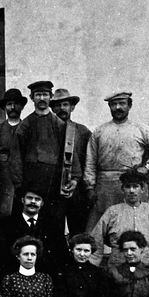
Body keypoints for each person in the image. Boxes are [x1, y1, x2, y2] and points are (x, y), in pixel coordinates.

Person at [84, 91, 149, 227]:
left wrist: (148, 167)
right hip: (105, 186)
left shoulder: (141, 129)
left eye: (122, 103)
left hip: (132, 182)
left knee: (134, 224)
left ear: (129, 106)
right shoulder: (99, 131)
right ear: (109, 107)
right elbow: (90, 161)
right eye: (114, 104)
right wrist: (90, 187)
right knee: (102, 226)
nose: (118, 107)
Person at [90, 172, 149, 281]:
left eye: (135, 186)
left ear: (142, 189)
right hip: (118, 271)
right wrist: (92, 269)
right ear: (122, 189)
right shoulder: (112, 212)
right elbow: (95, 240)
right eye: (128, 187)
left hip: (148, 271)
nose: (131, 191)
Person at [9, 81, 66, 213]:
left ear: (51, 97)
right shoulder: (25, 125)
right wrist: (18, 184)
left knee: (52, 216)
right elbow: (16, 156)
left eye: (45, 94)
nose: (41, 98)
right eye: (38, 95)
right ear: (31, 98)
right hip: (31, 178)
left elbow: (67, 153)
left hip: (53, 179)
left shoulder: (59, 124)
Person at [49, 88, 93, 236]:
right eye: (58, 105)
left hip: (77, 189)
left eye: (65, 104)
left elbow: (90, 160)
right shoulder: (46, 131)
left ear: (72, 107)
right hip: (53, 189)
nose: (62, 108)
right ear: (52, 108)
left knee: (78, 230)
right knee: (54, 231)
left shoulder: (82, 131)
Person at [0, 187, 67, 277]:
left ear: (42, 203)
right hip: (15, 274)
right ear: (22, 200)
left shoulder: (52, 224)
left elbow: (61, 252)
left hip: (45, 274)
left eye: (37, 199)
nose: (33, 202)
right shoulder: (7, 224)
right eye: (29, 198)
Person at [0, 88, 27, 221]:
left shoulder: (27, 129)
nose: (13, 107)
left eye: (16, 104)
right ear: (4, 107)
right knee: (2, 222)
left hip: (22, 186)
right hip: (2, 186)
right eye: (9, 104)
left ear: (22, 106)